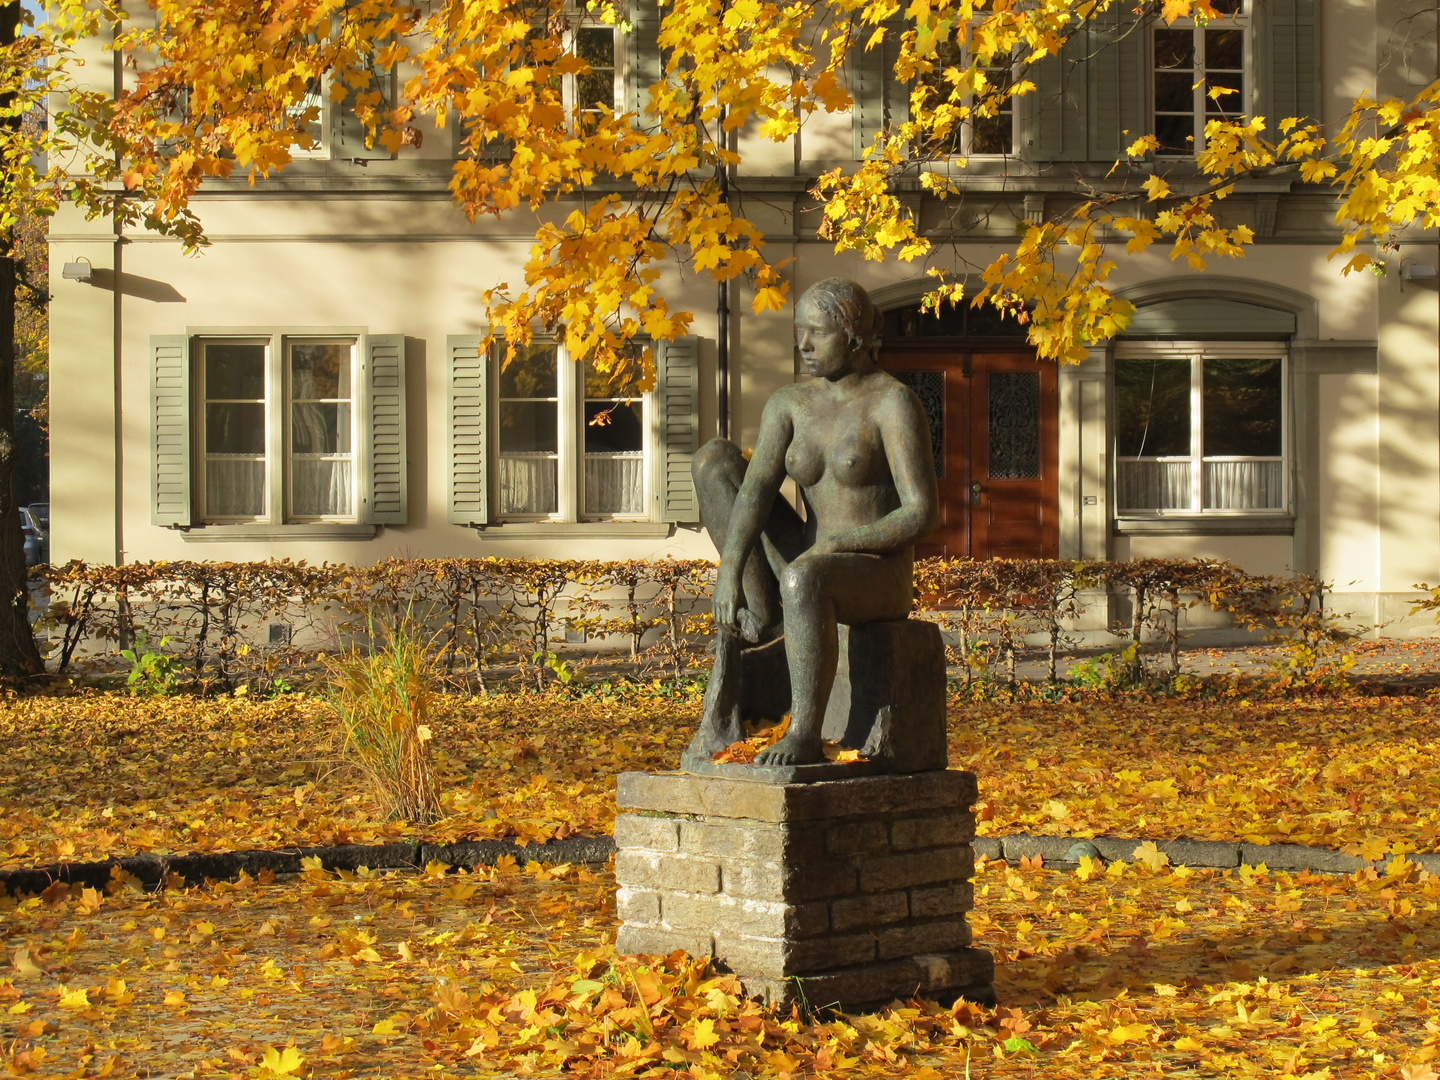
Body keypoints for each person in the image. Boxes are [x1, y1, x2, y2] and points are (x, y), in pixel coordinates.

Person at [692, 278, 939, 766]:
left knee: (805, 576)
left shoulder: (892, 403)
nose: (803, 345)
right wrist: (728, 575)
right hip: (806, 558)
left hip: (874, 570)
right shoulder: (791, 404)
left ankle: (804, 732)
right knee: (713, 460)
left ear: (853, 336)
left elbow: (921, 513)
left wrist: (842, 543)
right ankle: (765, 616)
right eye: (799, 332)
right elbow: (757, 490)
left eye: (817, 333)